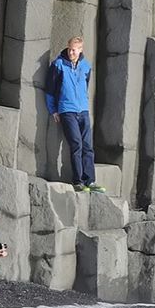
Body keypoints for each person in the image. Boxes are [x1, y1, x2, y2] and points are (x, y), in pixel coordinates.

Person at [45, 36, 105, 194]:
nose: (71, 52)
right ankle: (78, 181)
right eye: (70, 48)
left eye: (74, 49)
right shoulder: (58, 64)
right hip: (67, 110)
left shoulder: (86, 66)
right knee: (76, 144)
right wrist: (53, 110)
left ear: (80, 50)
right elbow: (50, 90)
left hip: (83, 110)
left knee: (88, 146)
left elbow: (85, 86)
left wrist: (84, 107)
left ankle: (90, 181)